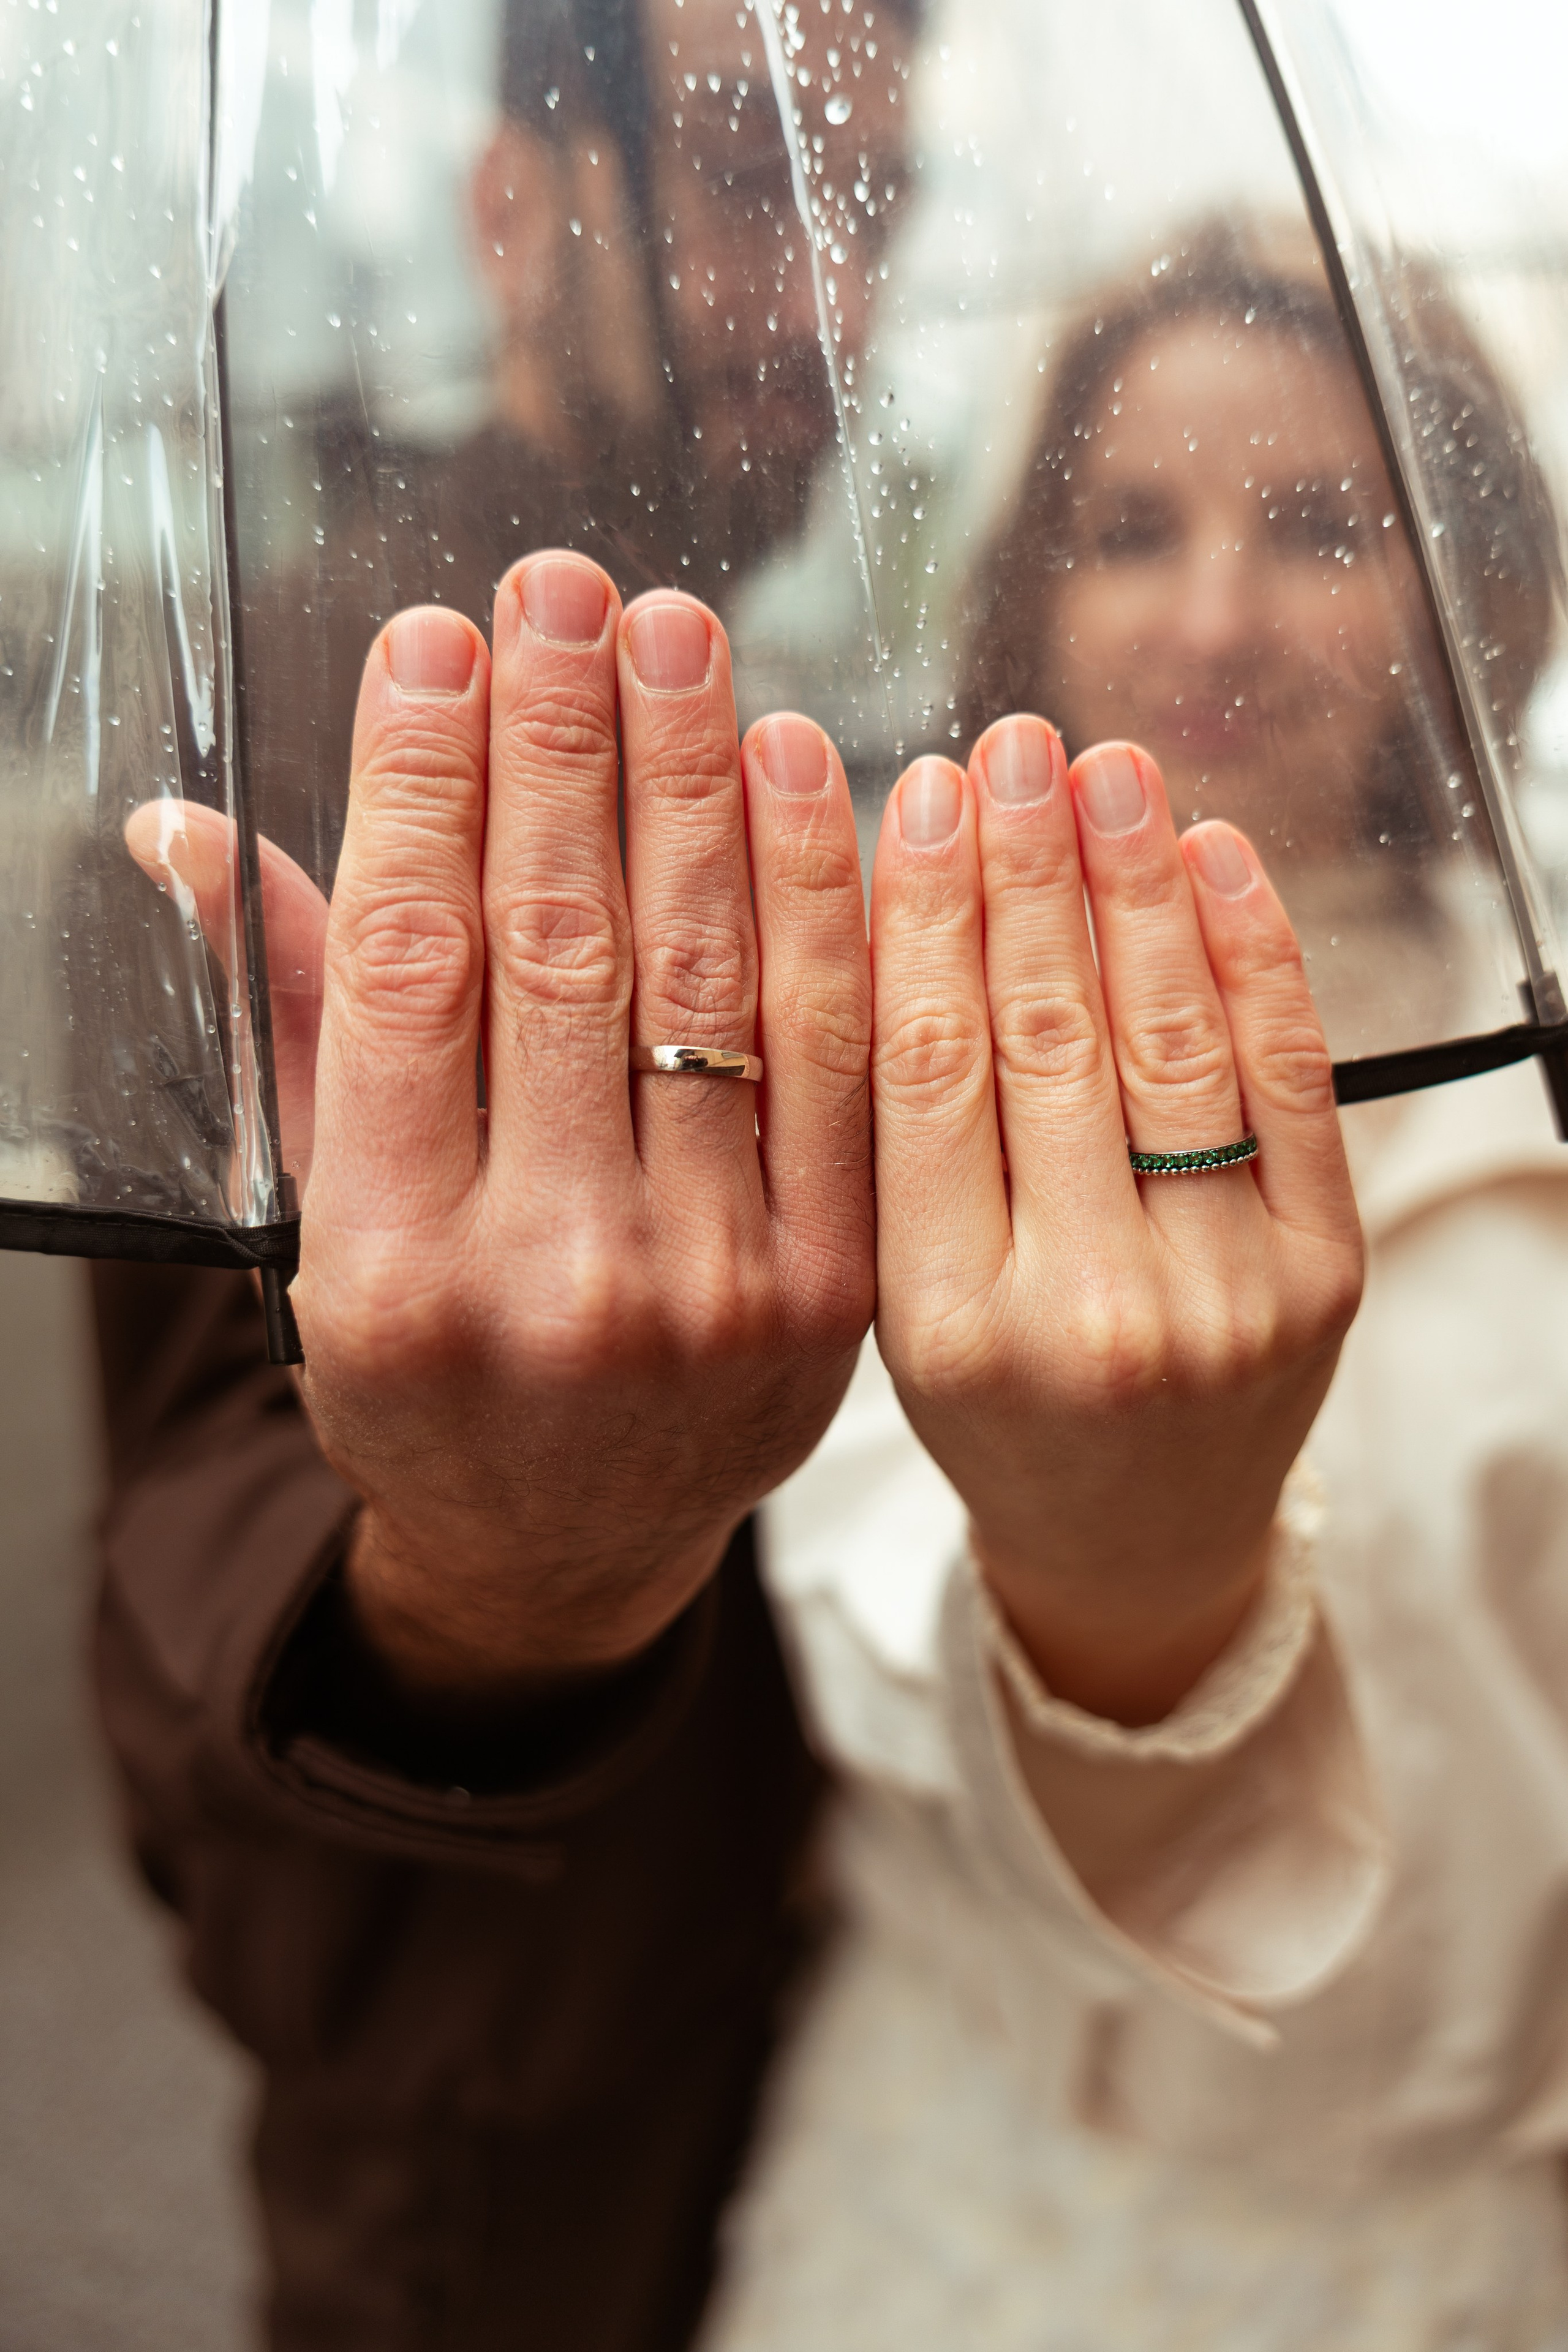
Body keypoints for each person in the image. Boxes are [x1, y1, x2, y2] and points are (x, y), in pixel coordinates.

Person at [89, 205, 1564, 2352]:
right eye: (1135, 525)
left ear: (1472, 583)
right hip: (959, 2212)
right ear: (1036, 590)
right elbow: (853, 1663)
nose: (1222, 606)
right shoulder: (870, 1039)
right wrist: (1134, 1582)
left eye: (1325, 523)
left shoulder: (1531, 1068)